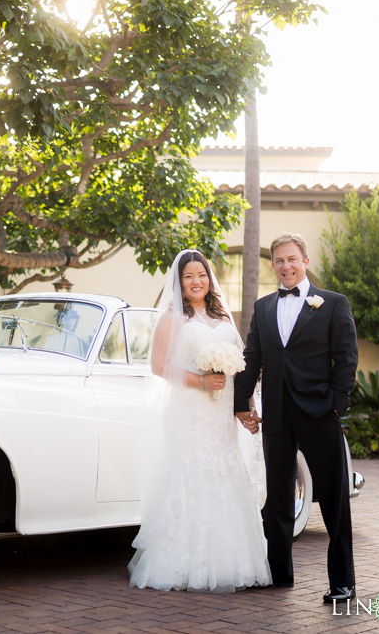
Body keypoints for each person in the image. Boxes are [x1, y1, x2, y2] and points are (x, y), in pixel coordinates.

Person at [129, 249, 271, 593]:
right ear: (179, 282)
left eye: (202, 275)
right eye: (189, 276)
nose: (197, 282)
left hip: (220, 413)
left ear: (210, 278)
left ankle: (231, 561)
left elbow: (239, 367)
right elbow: (159, 366)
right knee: (190, 473)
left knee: (225, 472)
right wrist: (201, 381)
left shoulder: (222, 316)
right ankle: (179, 562)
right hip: (190, 412)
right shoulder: (172, 318)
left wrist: (245, 407)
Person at [233, 233, 358, 603]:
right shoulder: (263, 306)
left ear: (304, 260)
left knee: (334, 499)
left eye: (291, 259)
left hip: (320, 412)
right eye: (278, 261)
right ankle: (278, 574)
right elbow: (251, 357)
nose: (285, 266)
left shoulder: (333, 304)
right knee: (278, 497)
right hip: (277, 414)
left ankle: (343, 583)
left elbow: (346, 358)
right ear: (273, 266)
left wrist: (337, 405)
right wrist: (241, 404)